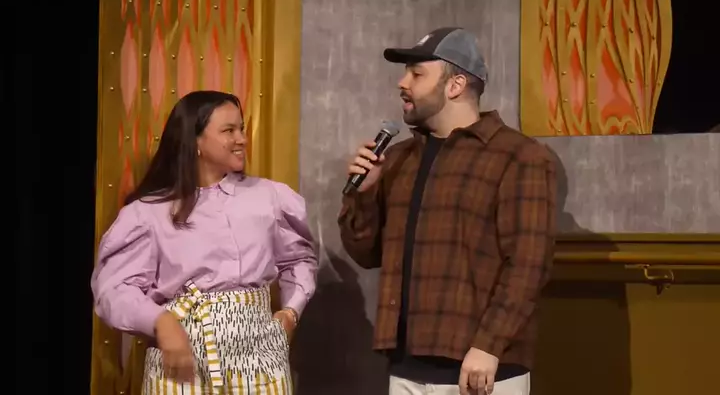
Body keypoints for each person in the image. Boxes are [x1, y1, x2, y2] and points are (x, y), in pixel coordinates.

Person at [338, 27, 557, 395]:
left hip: (480, 369)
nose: (402, 83)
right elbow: (366, 253)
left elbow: (528, 264)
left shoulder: (520, 156)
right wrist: (365, 194)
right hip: (406, 366)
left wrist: (489, 344)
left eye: (417, 74)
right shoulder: (398, 158)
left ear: (455, 85)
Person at [91, 90, 318, 394]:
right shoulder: (148, 213)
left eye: (241, 129)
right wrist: (161, 322)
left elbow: (299, 259)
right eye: (229, 130)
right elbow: (114, 290)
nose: (242, 139)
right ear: (195, 140)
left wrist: (290, 313)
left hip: (261, 359)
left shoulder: (270, 197)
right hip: (180, 365)